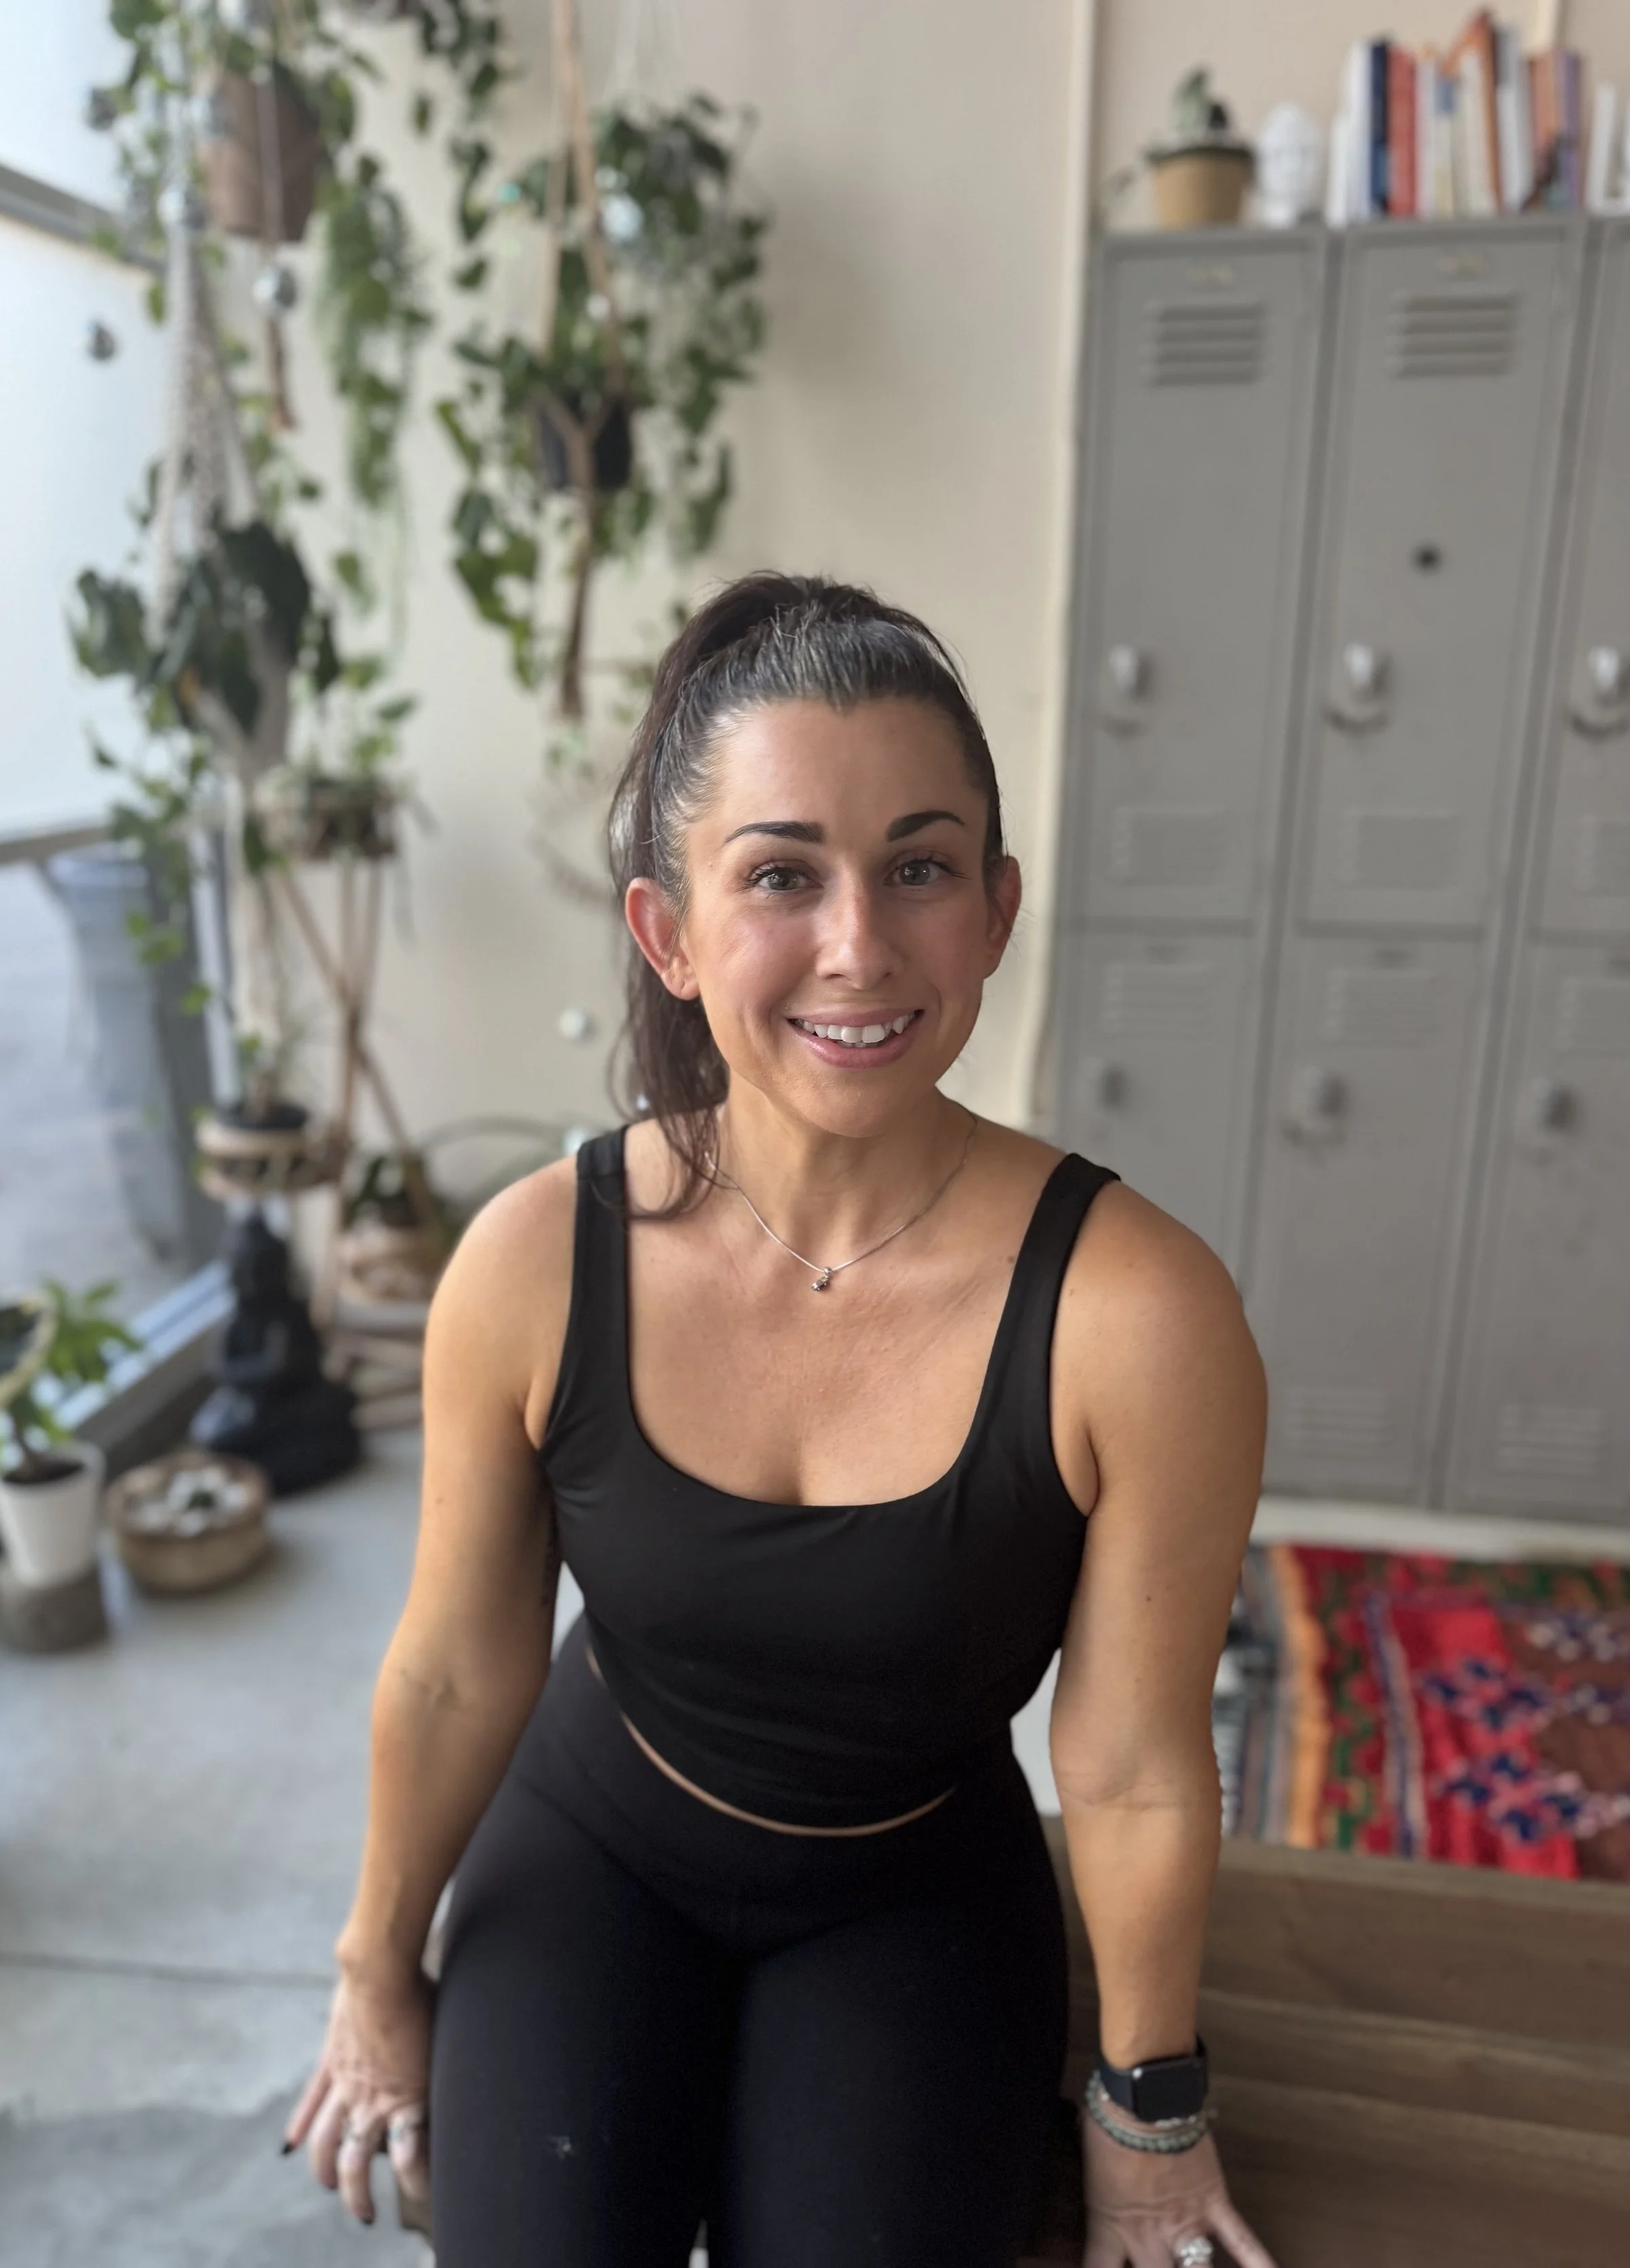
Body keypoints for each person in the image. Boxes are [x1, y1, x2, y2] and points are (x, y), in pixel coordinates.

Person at [283, 574, 1278, 2268]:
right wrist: (375, 1974)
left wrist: (1146, 2119)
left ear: (994, 910)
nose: (858, 945)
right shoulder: (534, 1259)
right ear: (665, 931)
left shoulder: (1137, 1314)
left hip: (909, 1891)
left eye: (918, 866)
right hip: (592, 1837)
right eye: (778, 875)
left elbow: (1123, 1768)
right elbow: (454, 1667)